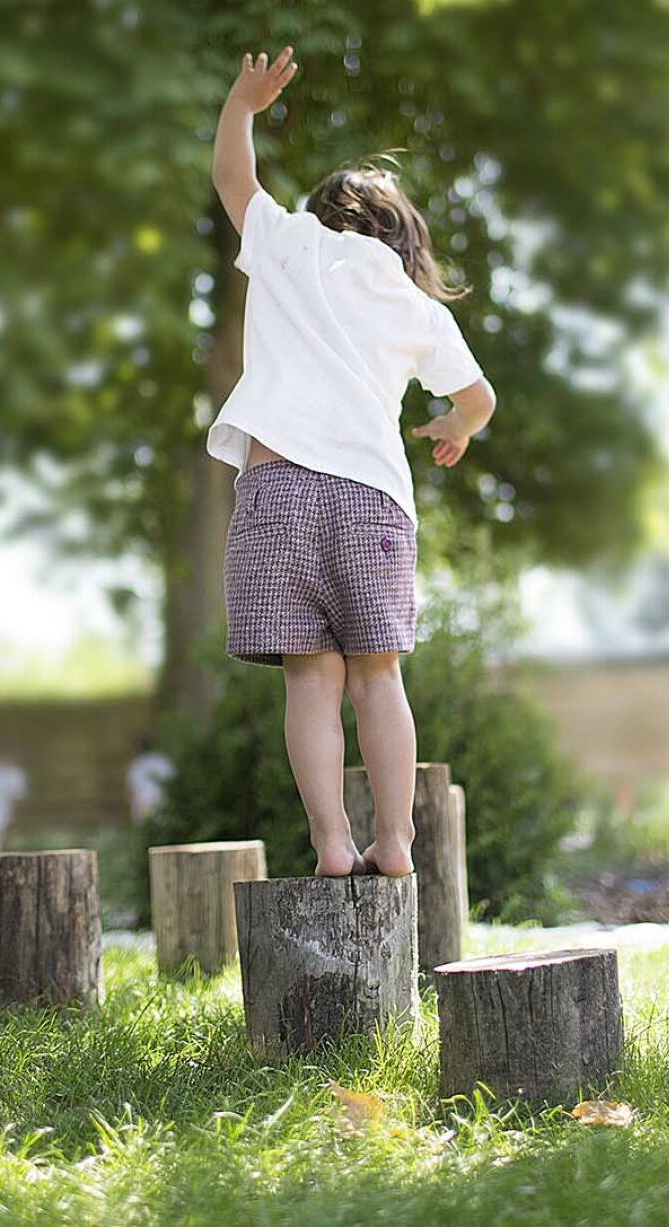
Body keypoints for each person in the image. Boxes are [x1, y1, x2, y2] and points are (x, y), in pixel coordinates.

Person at [207, 46, 497, 878]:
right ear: (404, 238)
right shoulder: (414, 303)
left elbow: (233, 177)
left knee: (309, 681)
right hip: (373, 499)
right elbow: (478, 399)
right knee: (379, 679)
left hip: (277, 489)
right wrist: (453, 427)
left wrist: (244, 103)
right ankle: (398, 840)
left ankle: (332, 840)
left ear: (322, 213)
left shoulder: (290, 244)